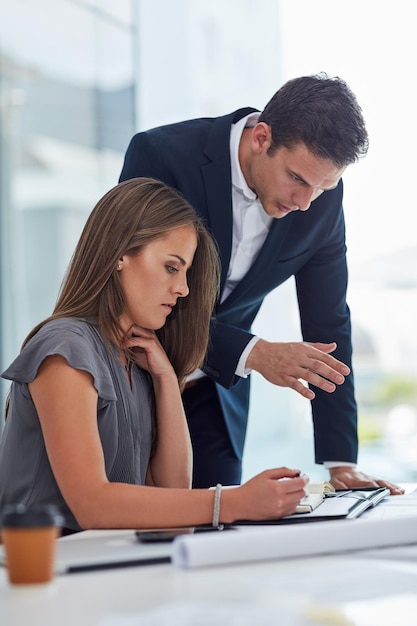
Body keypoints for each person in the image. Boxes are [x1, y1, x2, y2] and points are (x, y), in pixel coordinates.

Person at [119, 74, 404, 494]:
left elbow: (329, 324)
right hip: (133, 381)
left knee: (216, 536)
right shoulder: (162, 155)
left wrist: (341, 461)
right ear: (261, 137)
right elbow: (133, 288)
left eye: (324, 186)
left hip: (217, 396)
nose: (306, 202)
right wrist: (255, 353)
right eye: (298, 179)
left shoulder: (321, 202)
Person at [0, 177, 308, 533]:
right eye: (172, 267)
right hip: (40, 575)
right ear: (120, 255)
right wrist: (233, 502)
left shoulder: (138, 358)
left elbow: (172, 493)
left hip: (100, 568)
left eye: (185, 272)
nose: (183, 288)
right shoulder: (65, 349)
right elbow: (92, 506)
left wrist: (164, 379)